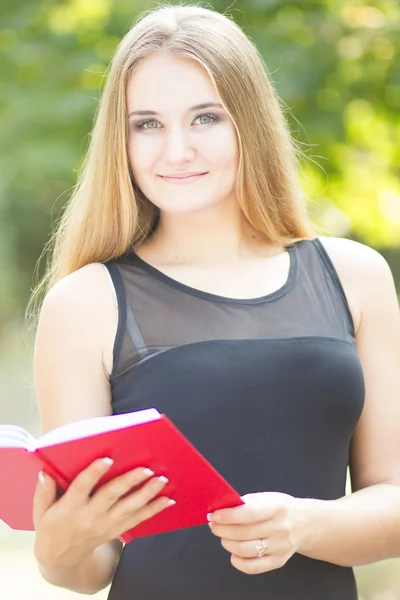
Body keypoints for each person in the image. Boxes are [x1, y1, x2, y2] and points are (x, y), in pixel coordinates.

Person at [27, 4, 400, 600]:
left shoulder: (355, 276)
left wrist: (304, 525)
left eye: (205, 118)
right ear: (118, 140)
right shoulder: (85, 303)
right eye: (146, 124)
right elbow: (88, 567)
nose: (176, 150)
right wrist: (58, 544)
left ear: (248, 122)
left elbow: (394, 505)